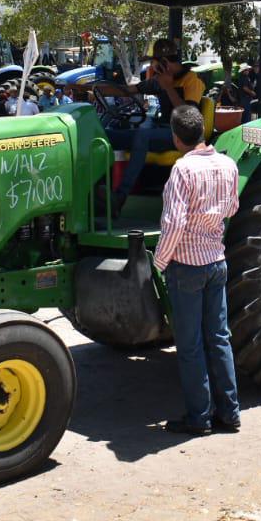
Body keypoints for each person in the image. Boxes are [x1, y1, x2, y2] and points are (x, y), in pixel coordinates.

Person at [153, 104, 241, 436]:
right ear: (202, 131)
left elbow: (173, 223)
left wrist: (159, 262)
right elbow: (232, 207)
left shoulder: (182, 170)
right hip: (216, 261)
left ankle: (198, 417)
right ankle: (230, 413)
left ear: (177, 138)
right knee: (219, 338)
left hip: (187, 266)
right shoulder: (228, 164)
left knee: (190, 346)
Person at [94, 38, 204, 214]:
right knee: (106, 136)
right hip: (160, 131)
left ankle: (120, 197)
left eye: (155, 62)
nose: (152, 66)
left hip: (182, 135)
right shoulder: (159, 79)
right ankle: (94, 194)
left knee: (143, 135)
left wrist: (168, 87)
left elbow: (189, 117)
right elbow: (130, 90)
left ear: (165, 62)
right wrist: (96, 89)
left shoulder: (192, 80)